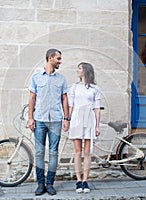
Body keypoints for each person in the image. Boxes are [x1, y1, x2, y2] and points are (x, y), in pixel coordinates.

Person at [28, 48, 70, 196]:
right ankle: (40, 184)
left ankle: (50, 183)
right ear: (50, 58)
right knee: (39, 152)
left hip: (56, 121)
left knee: (53, 152)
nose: (60, 61)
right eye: (58, 58)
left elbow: (64, 99)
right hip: (39, 120)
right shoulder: (36, 77)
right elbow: (32, 98)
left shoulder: (62, 79)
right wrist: (30, 118)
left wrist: (66, 118)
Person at [68, 62, 101, 193]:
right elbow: (71, 106)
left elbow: (97, 108)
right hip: (76, 118)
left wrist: (97, 126)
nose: (78, 70)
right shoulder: (74, 87)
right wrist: (67, 120)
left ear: (86, 71)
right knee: (77, 151)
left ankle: (85, 180)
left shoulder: (94, 88)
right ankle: (78, 180)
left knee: (87, 152)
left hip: (89, 118)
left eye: (80, 68)